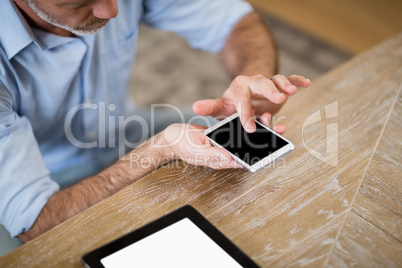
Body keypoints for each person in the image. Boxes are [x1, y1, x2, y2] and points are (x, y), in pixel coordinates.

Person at [0, 0, 311, 249]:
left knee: (271, 168)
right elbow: (35, 221)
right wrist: (158, 150)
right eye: (80, 3)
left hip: (123, 129)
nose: (112, 10)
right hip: (38, 182)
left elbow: (235, 20)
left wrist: (254, 78)